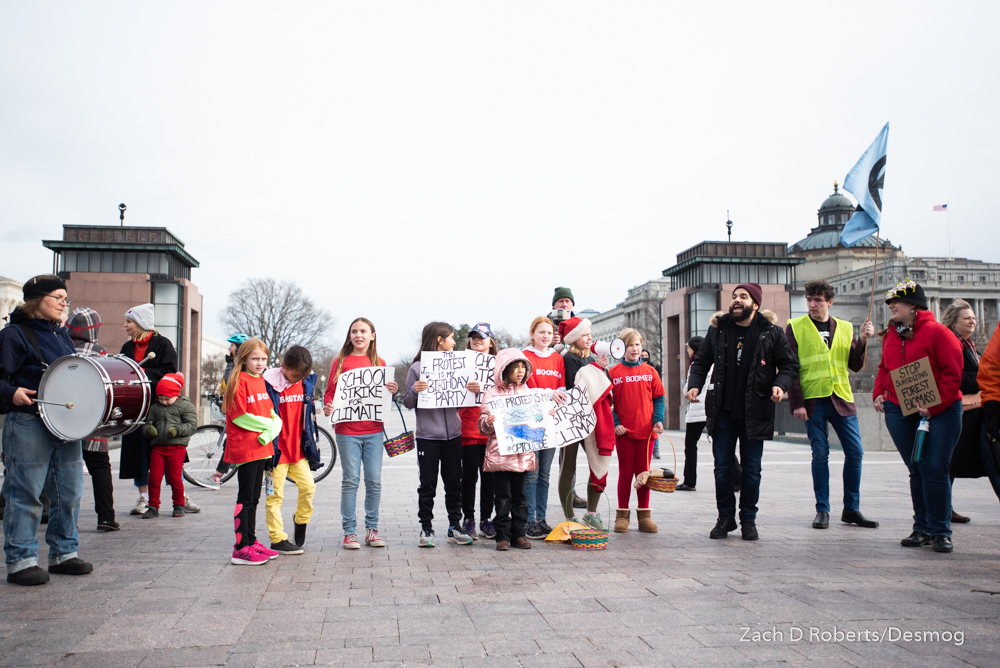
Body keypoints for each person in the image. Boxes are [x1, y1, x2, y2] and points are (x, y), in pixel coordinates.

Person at [686, 283, 799, 541]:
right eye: (734, 296)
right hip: (722, 412)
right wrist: (694, 384)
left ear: (755, 304)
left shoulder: (771, 333)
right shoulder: (718, 329)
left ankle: (748, 519)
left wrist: (780, 385)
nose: (736, 300)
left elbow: (790, 365)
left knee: (751, 470)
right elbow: (702, 361)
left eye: (743, 297)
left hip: (755, 411)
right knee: (722, 468)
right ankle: (725, 518)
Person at [0, 275, 93, 585]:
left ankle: (64, 554)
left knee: (69, 492)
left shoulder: (62, 335)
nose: (64, 303)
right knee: (25, 493)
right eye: (57, 297)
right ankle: (21, 560)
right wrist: (9, 393)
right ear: (36, 300)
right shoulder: (14, 334)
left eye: (66, 298)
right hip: (28, 421)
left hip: (64, 424)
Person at [874, 281, 963, 553]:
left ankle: (940, 531)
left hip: (941, 411)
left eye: (896, 302)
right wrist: (879, 392)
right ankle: (922, 528)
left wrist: (933, 407)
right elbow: (884, 368)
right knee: (916, 468)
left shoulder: (939, 333)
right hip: (899, 410)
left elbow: (952, 374)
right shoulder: (891, 334)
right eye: (889, 302)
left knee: (935, 467)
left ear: (914, 306)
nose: (890, 306)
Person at [786, 279, 878, 530]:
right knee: (820, 454)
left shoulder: (846, 327)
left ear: (830, 302)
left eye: (817, 300)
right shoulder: (795, 327)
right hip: (813, 400)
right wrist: (797, 403)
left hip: (842, 397)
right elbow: (790, 368)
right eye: (809, 300)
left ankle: (851, 509)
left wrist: (862, 339)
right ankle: (822, 510)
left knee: (856, 452)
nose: (812, 304)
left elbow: (855, 365)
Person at [323, 319, 398, 549]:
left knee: (374, 480)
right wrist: (328, 406)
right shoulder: (340, 362)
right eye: (354, 331)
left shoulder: (380, 362)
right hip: (347, 431)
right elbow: (330, 393)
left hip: (374, 430)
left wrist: (392, 391)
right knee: (350, 480)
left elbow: (383, 399)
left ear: (372, 336)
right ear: (349, 336)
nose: (359, 335)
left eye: (363, 331)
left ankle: (372, 530)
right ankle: (349, 532)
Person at [403, 322, 474, 547]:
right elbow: (407, 402)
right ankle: (426, 528)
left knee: (454, 482)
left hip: (454, 434)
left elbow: (467, 395)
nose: (455, 342)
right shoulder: (417, 368)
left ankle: (455, 526)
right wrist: (415, 390)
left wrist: (474, 389)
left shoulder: (459, 365)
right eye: (451, 338)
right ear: (439, 340)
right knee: (428, 484)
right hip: (428, 437)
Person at [478, 348, 547, 550]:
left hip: (523, 456)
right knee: (502, 498)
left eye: (522, 367)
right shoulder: (491, 393)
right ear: (503, 369)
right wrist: (489, 422)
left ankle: (519, 534)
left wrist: (545, 415)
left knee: (521, 498)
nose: (520, 371)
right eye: (515, 367)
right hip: (501, 456)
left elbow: (536, 419)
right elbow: (482, 426)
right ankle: (502, 536)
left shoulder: (528, 392)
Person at [223, 338, 282, 565]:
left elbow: (270, 414)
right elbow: (240, 416)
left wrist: (271, 429)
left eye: (263, 359)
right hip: (246, 447)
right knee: (245, 498)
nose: (259, 363)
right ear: (244, 358)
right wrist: (269, 427)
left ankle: (251, 541)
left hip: (261, 447)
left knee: (255, 498)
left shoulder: (260, 380)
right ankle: (240, 548)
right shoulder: (239, 381)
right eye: (255, 358)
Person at [939, 300, 1000, 520]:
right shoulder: (952, 343)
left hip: (973, 411)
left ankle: (944, 508)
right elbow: (956, 375)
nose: (973, 321)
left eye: (973, 317)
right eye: (967, 318)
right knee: (950, 462)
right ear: (954, 322)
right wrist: (983, 379)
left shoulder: (970, 345)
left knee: (952, 463)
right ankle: (942, 509)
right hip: (960, 410)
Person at [119, 303, 179, 517]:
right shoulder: (127, 348)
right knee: (138, 453)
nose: (125, 325)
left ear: (141, 324)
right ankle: (144, 497)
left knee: (164, 452)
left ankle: (177, 497)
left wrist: (141, 373)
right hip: (136, 407)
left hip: (158, 407)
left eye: (129, 322)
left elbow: (169, 371)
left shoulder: (163, 344)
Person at [65, 307, 119, 531]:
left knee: (65, 468)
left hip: (65, 420)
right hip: (94, 420)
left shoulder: (61, 350)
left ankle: (66, 520)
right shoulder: (102, 354)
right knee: (100, 468)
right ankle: (106, 517)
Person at [556, 316, 612, 530]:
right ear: (574, 338)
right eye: (585, 334)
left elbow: (598, 388)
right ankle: (570, 517)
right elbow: (577, 385)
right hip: (572, 420)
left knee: (596, 465)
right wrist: (596, 368)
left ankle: (591, 513)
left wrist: (601, 370)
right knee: (568, 468)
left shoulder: (590, 358)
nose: (590, 337)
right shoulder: (568, 358)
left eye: (589, 333)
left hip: (590, 419)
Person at [265, 346, 320, 554]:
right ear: (284, 367)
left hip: (297, 451)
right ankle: (277, 538)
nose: (297, 379)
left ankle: (301, 520)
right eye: (294, 375)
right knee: (275, 496)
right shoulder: (269, 385)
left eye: (302, 376)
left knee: (308, 487)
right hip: (276, 451)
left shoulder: (305, 385)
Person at [610, 329, 665, 533]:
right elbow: (609, 403)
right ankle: (622, 515)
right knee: (625, 473)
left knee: (644, 474)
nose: (634, 348)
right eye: (630, 345)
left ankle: (644, 516)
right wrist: (616, 423)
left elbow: (658, 398)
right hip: (624, 433)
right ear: (622, 348)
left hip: (647, 432)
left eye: (637, 344)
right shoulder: (613, 373)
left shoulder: (651, 372)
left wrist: (658, 420)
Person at [522, 316, 565, 539]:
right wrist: (548, 395)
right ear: (532, 335)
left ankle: (541, 518)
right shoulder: (525, 357)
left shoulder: (558, 359)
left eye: (549, 333)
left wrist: (555, 402)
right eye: (541, 332)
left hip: (551, 424)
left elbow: (563, 391)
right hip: (531, 424)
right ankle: (528, 521)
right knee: (532, 473)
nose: (545, 336)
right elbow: (522, 390)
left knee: (545, 474)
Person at [548, 287, 587, 510]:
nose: (564, 305)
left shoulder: (580, 324)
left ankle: (571, 494)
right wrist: (552, 343)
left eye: (567, 301)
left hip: (570, 396)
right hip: (551, 392)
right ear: (554, 304)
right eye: (560, 301)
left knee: (568, 455)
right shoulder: (544, 323)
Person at [458, 323, 497, 540]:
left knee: (489, 477)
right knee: (469, 477)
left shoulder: (499, 366)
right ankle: (469, 518)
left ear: (491, 342)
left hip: (491, 431)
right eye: (473, 337)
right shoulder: (460, 364)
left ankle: (486, 518)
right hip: (468, 428)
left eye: (482, 337)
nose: (477, 340)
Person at [142, 372, 197, 519]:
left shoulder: (186, 406)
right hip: (158, 447)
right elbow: (148, 423)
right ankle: (153, 506)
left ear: (177, 394)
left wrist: (177, 431)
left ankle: (178, 505)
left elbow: (192, 425)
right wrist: (149, 430)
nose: (163, 401)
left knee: (174, 478)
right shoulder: (155, 407)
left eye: (167, 399)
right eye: (160, 398)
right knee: (154, 478)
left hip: (176, 447)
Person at [211, 333, 250, 485]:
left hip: (242, 410)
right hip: (236, 408)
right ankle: (221, 471)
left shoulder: (240, 365)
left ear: (239, 348)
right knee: (232, 440)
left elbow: (230, 381)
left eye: (232, 345)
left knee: (233, 440)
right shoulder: (236, 363)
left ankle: (221, 471)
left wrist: (229, 363)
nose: (229, 348)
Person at [678, 336, 709, 492]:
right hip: (712, 408)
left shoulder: (696, 363)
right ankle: (738, 478)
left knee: (690, 445)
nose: (687, 350)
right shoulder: (713, 361)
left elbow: (687, 389)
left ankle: (690, 481)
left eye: (688, 347)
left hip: (697, 410)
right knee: (722, 444)